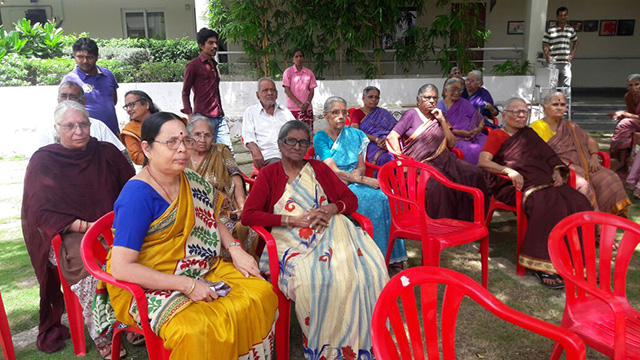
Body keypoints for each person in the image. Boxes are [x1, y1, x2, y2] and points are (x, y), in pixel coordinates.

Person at [107, 112, 277, 359]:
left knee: (260, 293)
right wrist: (187, 285)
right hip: (151, 282)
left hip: (201, 267)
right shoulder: (137, 195)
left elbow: (211, 215)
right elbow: (122, 268)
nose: (182, 149)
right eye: (171, 142)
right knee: (197, 328)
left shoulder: (190, 179)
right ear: (147, 148)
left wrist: (235, 249)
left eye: (185, 140)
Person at [242, 120, 389, 358]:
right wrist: (291, 221)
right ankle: (329, 347)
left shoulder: (319, 169)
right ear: (280, 144)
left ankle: (361, 342)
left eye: (303, 142)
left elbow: (350, 200)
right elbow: (249, 215)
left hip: (331, 231)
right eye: (291, 140)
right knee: (313, 279)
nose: (297, 146)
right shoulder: (269, 174)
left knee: (368, 270)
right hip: (288, 239)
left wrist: (331, 208)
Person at [21, 101, 135, 357]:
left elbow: (132, 188)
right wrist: (88, 227)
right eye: (70, 126)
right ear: (57, 129)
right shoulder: (44, 160)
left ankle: (131, 317)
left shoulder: (106, 152)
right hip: (68, 233)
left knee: (138, 251)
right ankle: (103, 331)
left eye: (83, 124)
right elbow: (40, 211)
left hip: (114, 226)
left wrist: (118, 222)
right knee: (92, 264)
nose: (79, 131)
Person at [478, 97, 592, 289]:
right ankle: (543, 265)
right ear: (504, 115)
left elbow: (549, 156)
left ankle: (575, 262)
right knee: (551, 206)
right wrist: (509, 171)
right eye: (516, 112)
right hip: (513, 186)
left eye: (525, 111)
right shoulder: (498, 135)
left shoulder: (529, 134)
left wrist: (556, 169)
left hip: (542, 181)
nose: (522, 115)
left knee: (578, 201)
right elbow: (483, 162)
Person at [314, 96, 408, 270]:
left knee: (384, 197)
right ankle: (366, 256)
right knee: (367, 199)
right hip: (332, 183)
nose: (340, 116)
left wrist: (357, 176)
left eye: (343, 112)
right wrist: (362, 179)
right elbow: (332, 170)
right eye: (335, 112)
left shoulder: (355, 135)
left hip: (351, 179)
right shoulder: (320, 138)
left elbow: (361, 165)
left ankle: (388, 255)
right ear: (326, 116)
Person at [386, 84, 489, 221]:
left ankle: (473, 219)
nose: (431, 101)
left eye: (434, 98)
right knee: (440, 184)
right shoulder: (411, 114)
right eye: (427, 97)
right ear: (418, 100)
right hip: (422, 163)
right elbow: (392, 136)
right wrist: (401, 162)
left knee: (475, 173)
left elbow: (451, 143)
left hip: (446, 160)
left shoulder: (440, 116)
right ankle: (442, 223)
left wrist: (442, 120)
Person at [531, 92, 630, 215]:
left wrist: (594, 157)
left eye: (562, 104)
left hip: (584, 164)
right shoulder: (537, 127)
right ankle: (590, 223)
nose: (559, 107)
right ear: (544, 108)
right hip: (559, 170)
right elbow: (542, 155)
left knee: (609, 177)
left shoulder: (569, 125)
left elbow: (591, 141)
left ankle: (610, 216)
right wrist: (570, 165)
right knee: (583, 185)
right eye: (555, 104)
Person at [188, 115, 258, 257]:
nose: (202, 139)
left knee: (245, 225)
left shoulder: (220, 150)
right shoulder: (181, 156)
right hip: (192, 210)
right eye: (197, 134)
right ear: (188, 136)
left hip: (223, 209)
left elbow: (236, 177)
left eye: (207, 135)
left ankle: (242, 263)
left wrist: (242, 207)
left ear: (213, 137)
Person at [181, 28, 233, 154]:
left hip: (219, 116)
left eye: (216, 43)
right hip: (202, 116)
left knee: (227, 152)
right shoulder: (193, 65)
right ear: (201, 45)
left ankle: (230, 174)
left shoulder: (214, 65)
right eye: (210, 43)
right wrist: (190, 115)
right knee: (202, 153)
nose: (215, 46)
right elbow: (185, 91)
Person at [40, 82, 126, 154]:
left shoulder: (98, 125)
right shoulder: (47, 129)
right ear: (58, 100)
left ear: (83, 101)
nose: (68, 100)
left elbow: (119, 153)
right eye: (63, 96)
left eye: (73, 97)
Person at [61, 37, 120, 135]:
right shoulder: (70, 80)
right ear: (74, 56)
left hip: (112, 132)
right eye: (80, 57)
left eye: (89, 57)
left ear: (97, 57)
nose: (84, 61)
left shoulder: (108, 75)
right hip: (86, 135)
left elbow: (113, 101)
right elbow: (65, 110)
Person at [242, 77, 295, 169]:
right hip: (269, 156)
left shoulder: (285, 111)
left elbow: (297, 130)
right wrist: (255, 150)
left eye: (272, 90)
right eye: (265, 90)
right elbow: (248, 136)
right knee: (282, 168)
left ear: (277, 94)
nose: (270, 93)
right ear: (258, 95)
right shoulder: (251, 112)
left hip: (290, 153)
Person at [437, 77, 487, 165]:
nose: (457, 93)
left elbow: (479, 117)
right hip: (453, 137)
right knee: (470, 149)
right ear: (446, 91)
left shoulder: (464, 102)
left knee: (488, 143)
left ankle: (488, 173)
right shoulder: (440, 106)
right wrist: (461, 133)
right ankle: (473, 173)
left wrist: (478, 129)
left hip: (473, 136)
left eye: (460, 90)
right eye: (454, 89)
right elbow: (442, 126)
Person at [349, 86, 397, 166]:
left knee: (402, 154)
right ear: (363, 98)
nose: (374, 99)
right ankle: (383, 177)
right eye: (370, 97)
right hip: (368, 143)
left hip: (387, 142)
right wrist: (376, 139)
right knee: (385, 157)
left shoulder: (383, 113)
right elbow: (355, 132)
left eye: (376, 97)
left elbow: (396, 128)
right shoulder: (357, 113)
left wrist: (387, 140)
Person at [542, 6, 579, 91]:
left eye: (564, 15)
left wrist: (572, 54)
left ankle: (564, 103)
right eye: (561, 15)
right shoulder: (551, 30)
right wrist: (547, 55)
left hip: (565, 63)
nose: (563, 17)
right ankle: (553, 103)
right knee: (552, 86)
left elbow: (576, 41)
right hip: (554, 62)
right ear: (557, 16)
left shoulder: (570, 29)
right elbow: (544, 43)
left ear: (567, 16)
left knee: (566, 86)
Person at [609, 74, 640, 172]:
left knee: (623, 124)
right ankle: (622, 161)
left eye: (637, 84)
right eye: (630, 85)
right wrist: (619, 115)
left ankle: (615, 152)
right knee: (624, 128)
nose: (634, 88)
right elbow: (633, 113)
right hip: (636, 122)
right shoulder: (628, 96)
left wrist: (624, 114)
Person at [120, 90, 160, 165]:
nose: (128, 110)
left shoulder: (165, 120)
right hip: (151, 169)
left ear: (146, 104)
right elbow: (137, 157)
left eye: (131, 105)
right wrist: (161, 159)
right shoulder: (130, 130)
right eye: (126, 106)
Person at [282, 49, 317, 131]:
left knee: (307, 132)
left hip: (307, 108)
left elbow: (312, 90)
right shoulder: (288, 72)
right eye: (296, 56)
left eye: (300, 56)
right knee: (293, 132)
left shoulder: (309, 73)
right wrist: (299, 104)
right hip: (293, 109)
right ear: (292, 59)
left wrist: (307, 103)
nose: (299, 58)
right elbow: (287, 90)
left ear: (303, 58)